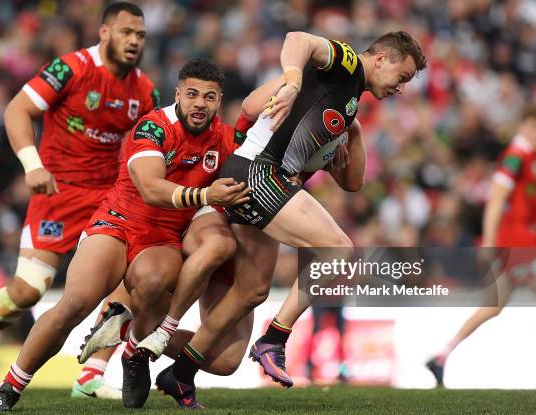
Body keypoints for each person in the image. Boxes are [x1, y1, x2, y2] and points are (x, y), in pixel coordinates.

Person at [148, 30, 426, 407]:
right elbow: (299, 38)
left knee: (252, 293)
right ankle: (274, 339)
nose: (402, 88)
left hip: (266, 178)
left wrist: (353, 131)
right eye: (403, 77)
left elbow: (354, 183)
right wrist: (292, 80)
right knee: (338, 250)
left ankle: (179, 374)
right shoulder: (344, 65)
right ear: (380, 60)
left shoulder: (346, 106)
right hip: (257, 172)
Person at [0, 58, 252, 411]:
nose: (199, 103)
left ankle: (133, 349)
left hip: (163, 237)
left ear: (219, 102)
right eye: (191, 94)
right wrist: (206, 196)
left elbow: (268, 153)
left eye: (209, 97)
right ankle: (10, 387)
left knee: (157, 280)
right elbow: (150, 188)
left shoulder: (226, 139)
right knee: (76, 304)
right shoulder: (154, 127)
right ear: (177, 95)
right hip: (118, 221)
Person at [0, 2, 159, 399]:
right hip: (56, 192)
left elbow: (150, 145)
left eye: (140, 36)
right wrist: (32, 165)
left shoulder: (143, 90)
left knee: (133, 272)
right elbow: (16, 110)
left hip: (107, 197)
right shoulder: (70, 69)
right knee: (27, 291)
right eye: (126, 32)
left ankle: (91, 373)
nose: (134, 42)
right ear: (104, 33)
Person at [426, 107, 536, 387]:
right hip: (520, 244)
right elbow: (495, 201)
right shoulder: (516, 158)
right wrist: (491, 242)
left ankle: (441, 356)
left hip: (526, 243)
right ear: (525, 127)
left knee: (493, 306)